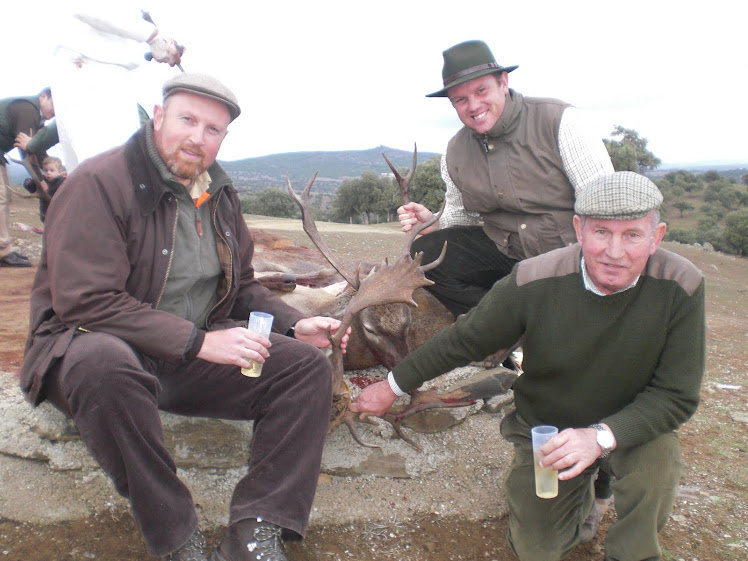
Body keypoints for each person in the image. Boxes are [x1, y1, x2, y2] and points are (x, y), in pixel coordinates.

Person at [20, 73, 348, 561]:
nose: (197, 137)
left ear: (223, 138)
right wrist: (198, 342)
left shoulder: (218, 194)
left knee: (304, 368)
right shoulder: (98, 182)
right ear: (158, 117)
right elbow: (84, 301)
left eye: (212, 129)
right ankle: (178, 540)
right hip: (87, 347)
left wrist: (292, 323)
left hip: (180, 358)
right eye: (187, 120)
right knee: (103, 363)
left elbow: (239, 289)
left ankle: (256, 529)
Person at [352, 171, 706, 561]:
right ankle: (581, 496)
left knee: (656, 471)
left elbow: (676, 395)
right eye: (601, 232)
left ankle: (629, 550)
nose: (615, 251)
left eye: (633, 235)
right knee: (537, 547)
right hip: (551, 427)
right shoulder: (534, 277)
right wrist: (392, 386)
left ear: (656, 237)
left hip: (634, 425)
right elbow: (465, 340)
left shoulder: (681, 284)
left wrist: (600, 438)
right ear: (579, 230)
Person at [398, 40, 614, 317]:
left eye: (481, 91)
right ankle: (503, 325)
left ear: (503, 82)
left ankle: (539, 317)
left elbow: (605, 208)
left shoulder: (559, 121)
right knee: (425, 255)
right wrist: (432, 222)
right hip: (506, 253)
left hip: (570, 256)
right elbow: (460, 214)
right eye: (461, 100)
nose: (474, 105)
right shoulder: (455, 151)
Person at [49, 6, 182, 171]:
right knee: (111, 172)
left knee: (93, 178)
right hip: (94, 67)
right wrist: (153, 36)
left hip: (91, 65)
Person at [0, 88, 58, 267]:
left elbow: (37, 150)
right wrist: (42, 181)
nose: (54, 112)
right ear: (43, 97)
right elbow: (27, 150)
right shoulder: (28, 110)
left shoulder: (35, 116)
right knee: (1, 197)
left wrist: (51, 171)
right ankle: (3, 251)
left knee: (4, 197)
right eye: (53, 104)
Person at [23, 155, 66, 222]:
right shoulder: (42, 181)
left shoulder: (62, 182)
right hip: (45, 214)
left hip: (59, 214)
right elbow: (35, 190)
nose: (48, 173)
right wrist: (30, 184)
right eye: (46, 170)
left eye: (52, 170)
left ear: (59, 171)